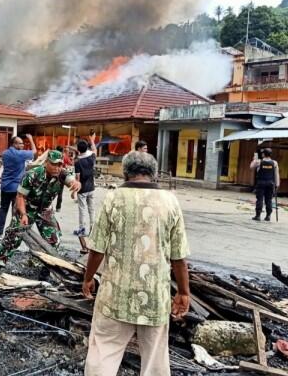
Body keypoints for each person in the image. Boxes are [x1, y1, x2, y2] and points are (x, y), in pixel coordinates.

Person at [82, 151, 190, 376]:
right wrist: (183, 292)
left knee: (103, 351)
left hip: (115, 295)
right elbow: (178, 255)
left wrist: (88, 278)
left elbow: (97, 249)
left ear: (125, 173)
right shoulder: (170, 201)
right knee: (155, 361)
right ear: (153, 174)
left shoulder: (113, 198)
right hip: (154, 297)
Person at [0, 150, 81, 274]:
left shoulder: (61, 173)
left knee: (54, 240)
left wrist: (76, 184)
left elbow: (71, 179)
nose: (57, 167)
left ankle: (45, 271)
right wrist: (23, 215)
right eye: (54, 164)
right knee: (13, 238)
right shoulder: (32, 174)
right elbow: (20, 196)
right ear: (46, 163)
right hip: (26, 208)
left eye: (60, 164)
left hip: (45, 210)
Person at [0, 134, 36, 241]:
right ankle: (14, 234)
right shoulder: (20, 154)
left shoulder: (5, 153)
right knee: (16, 211)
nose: (22, 145)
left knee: (3, 209)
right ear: (15, 144)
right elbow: (34, 151)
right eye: (21, 143)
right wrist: (30, 139)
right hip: (17, 188)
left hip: (5, 186)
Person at [74, 132, 97, 237]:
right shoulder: (92, 157)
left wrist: (75, 190)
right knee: (91, 209)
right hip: (91, 187)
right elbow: (94, 149)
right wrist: (92, 139)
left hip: (82, 189)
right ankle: (93, 229)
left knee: (82, 209)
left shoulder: (78, 162)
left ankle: (82, 229)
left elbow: (77, 178)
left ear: (78, 149)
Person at [250, 148, 280, 221]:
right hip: (270, 183)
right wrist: (277, 184)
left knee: (260, 199)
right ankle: (268, 216)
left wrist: (254, 159)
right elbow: (276, 174)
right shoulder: (274, 163)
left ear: (263, 154)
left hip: (261, 183)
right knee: (268, 200)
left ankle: (258, 216)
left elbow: (251, 167)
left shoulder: (259, 162)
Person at [55, 145, 73, 212]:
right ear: (62, 151)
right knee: (60, 192)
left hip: (53, 174)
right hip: (61, 175)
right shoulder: (64, 156)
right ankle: (58, 208)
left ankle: (47, 207)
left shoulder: (54, 156)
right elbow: (71, 163)